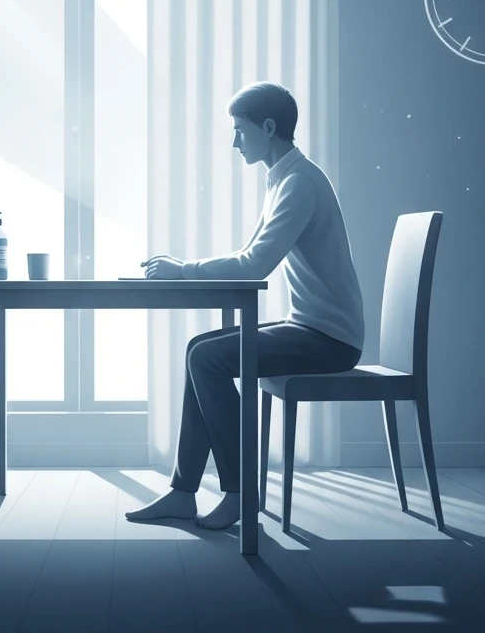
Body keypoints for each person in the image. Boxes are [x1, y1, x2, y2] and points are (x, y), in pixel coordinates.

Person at [126, 81, 364, 530]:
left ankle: (240, 494)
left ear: (268, 128)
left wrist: (183, 270)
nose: (234, 141)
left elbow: (254, 265)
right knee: (201, 348)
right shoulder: (284, 179)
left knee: (207, 357)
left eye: (240, 130)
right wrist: (188, 268)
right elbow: (250, 256)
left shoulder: (299, 184)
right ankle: (183, 493)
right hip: (311, 328)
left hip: (330, 340)